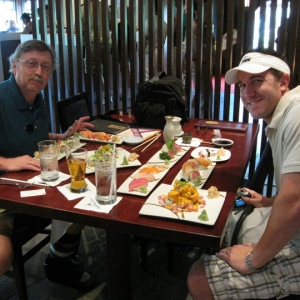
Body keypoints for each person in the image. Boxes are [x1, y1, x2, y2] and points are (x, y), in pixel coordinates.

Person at [187, 48, 300, 299]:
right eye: (242, 85)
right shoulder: (286, 114)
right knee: (226, 220)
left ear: (283, 82)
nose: (247, 93)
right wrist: (269, 201)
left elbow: (295, 201)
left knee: (199, 278)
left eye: (257, 81)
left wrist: (252, 260)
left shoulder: (297, 114)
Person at [0, 39, 94, 287]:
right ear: (14, 66)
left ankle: (59, 261)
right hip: (5, 196)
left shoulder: (36, 99)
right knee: (1, 254)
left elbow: (35, 136)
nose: (39, 72)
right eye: (31, 64)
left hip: (31, 186)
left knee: (87, 197)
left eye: (46, 67)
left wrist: (62, 137)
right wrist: (6, 163)